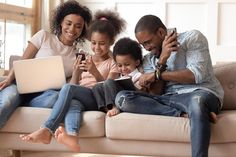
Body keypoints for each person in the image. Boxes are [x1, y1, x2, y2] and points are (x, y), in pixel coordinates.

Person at [114, 15, 224, 157]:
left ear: (161, 32)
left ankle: (196, 115)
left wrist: (156, 74)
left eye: (148, 42)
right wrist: (162, 60)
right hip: (169, 99)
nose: (146, 49)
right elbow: (156, 94)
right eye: (143, 45)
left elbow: (195, 75)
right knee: (122, 98)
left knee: (196, 103)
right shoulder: (150, 59)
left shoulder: (192, 38)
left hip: (201, 93)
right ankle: (186, 114)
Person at [20, 9, 126, 153]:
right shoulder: (85, 57)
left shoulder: (113, 63)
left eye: (102, 43)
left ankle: (46, 129)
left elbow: (108, 87)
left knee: (68, 89)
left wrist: (94, 71)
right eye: (94, 43)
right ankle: (73, 137)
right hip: (83, 96)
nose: (97, 48)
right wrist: (76, 72)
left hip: (97, 98)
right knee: (73, 103)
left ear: (111, 42)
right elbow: (75, 84)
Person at [0, 0, 92, 128]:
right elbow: (23, 60)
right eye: (68, 23)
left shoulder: (79, 55)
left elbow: (69, 90)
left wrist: (77, 73)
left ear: (82, 30)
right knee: (8, 101)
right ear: (61, 22)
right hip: (20, 86)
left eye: (78, 26)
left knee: (56, 98)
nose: (72, 29)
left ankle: (23, 103)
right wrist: (9, 78)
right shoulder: (43, 36)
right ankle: (17, 100)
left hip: (45, 95)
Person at [92, 37, 143, 117]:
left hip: (128, 98)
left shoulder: (138, 76)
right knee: (96, 87)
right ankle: (107, 109)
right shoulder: (119, 75)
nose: (123, 69)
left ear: (137, 62)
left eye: (127, 65)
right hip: (118, 95)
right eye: (119, 65)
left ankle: (114, 107)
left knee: (109, 81)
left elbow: (140, 92)